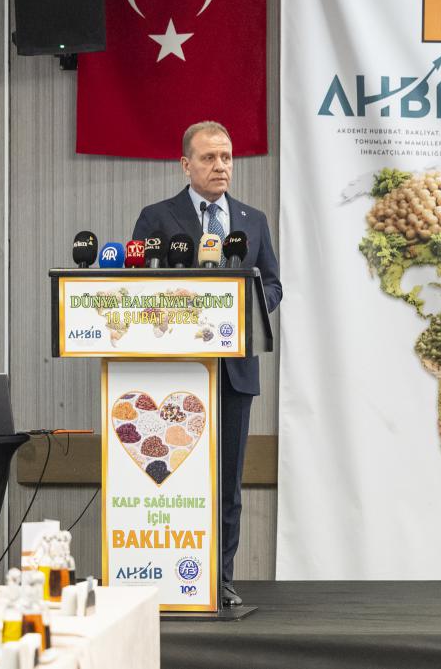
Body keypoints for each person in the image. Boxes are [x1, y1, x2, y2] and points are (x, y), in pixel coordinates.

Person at [131, 120, 282, 607]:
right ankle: (171, 577)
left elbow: (273, 284)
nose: (221, 166)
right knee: (176, 476)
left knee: (227, 483)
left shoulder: (253, 220)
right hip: (174, 373)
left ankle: (220, 578)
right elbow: (138, 285)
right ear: (186, 164)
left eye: (227, 157)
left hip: (235, 372)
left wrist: (242, 308)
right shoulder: (157, 218)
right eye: (209, 158)